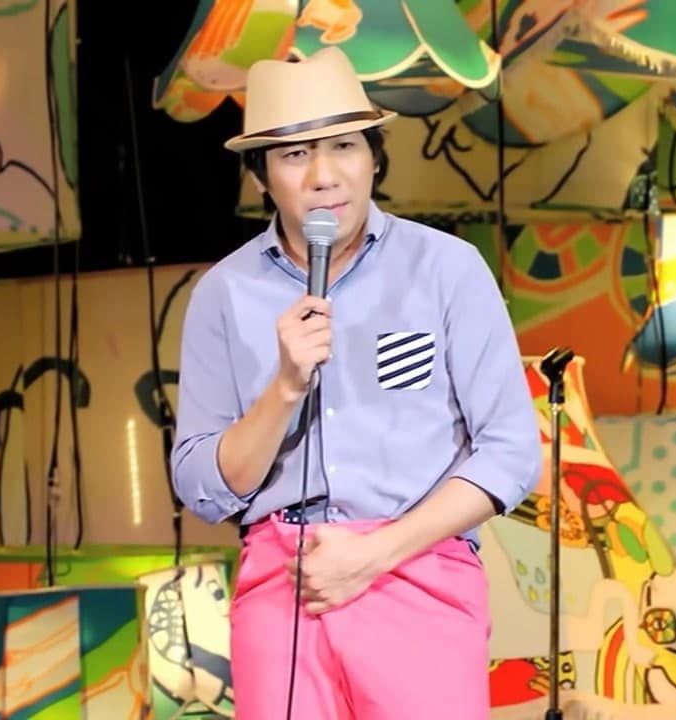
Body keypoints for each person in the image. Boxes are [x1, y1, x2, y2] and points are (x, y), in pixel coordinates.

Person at [170, 46, 540, 719]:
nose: (324, 176)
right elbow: (201, 485)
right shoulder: (224, 294)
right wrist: (284, 387)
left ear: (374, 156)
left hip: (417, 567)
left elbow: (511, 451)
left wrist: (373, 554)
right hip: (285, 582)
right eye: (294, 155)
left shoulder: (446, 269)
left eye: (344, 146)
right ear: (261, 176)